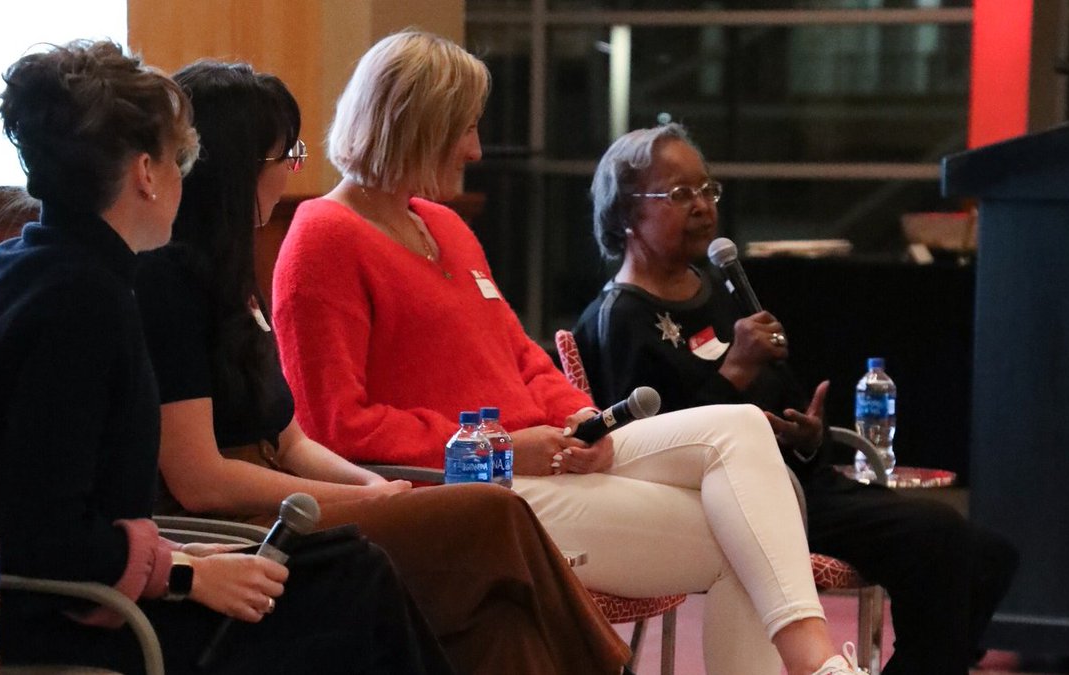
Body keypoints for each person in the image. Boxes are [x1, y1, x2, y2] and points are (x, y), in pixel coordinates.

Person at [274, 30, 867, 675]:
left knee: (743, 432)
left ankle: (816, 668)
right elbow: (334, 426)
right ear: (414, 127)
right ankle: (822, 668)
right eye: (464, 129)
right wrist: (501, 445)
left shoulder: (440, 225)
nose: (475, 148)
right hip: (472, 490)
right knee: (750, 530)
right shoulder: (323, 238)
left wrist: (583, 420)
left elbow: (520, 354)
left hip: (544, 454)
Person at [0, 40, 452, 674]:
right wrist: (185, 577)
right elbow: (41, 537)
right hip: (58, 621)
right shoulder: (83, 303)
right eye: (181, 159)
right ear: (146, 173)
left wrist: (188, 562)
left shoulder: (21, 268)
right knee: (352, 585)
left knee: (345, 567)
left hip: (78, 595)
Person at [134, 59, 631, 675]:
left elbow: (291, 441)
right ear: (236, 170)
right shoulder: (165, 281)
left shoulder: (231, 278)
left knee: (497, 623)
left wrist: (370, 487)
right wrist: (351, 493)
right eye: (284, 159)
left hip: (296, 493)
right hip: (240, 523)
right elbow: (203, 480)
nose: (292, 175)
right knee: (493, 510)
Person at [573, 123, 1021, 675]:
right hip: (736, 504)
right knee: (943, 542)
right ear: (624, 213)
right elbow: (644, 448)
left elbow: (779, 405)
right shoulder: (621, 316)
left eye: (707, 190)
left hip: (802, 482)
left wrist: (808, 435)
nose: (701, 206)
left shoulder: (725, 291)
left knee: (991, 557)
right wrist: (734, 369)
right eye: (679, 194)